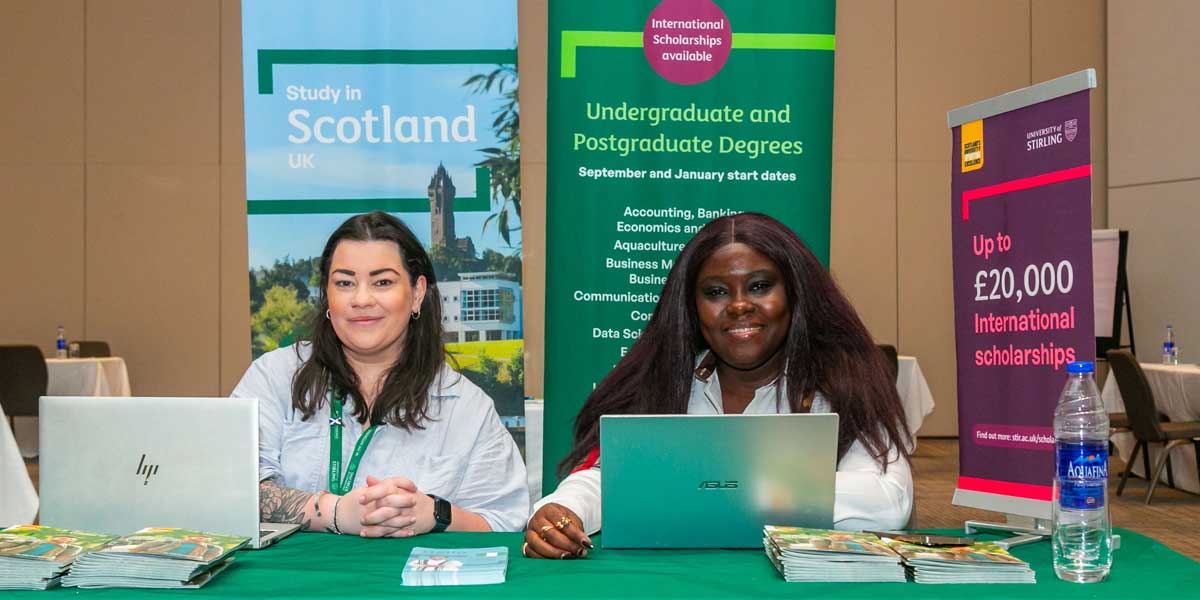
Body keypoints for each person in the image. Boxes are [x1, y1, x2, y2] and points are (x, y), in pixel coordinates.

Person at [524, 213, 913, 559]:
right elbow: (604, 476)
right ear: (691, 307)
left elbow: (887, 499)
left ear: (795, 296)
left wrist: (717, 488)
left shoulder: (842, 386)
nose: (739, 306)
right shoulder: (661, 383)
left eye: (760, 286)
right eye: (715, 292)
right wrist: (565, 508)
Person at [234, 211, 528, 537]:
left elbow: (506, 522)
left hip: (414, 587)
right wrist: (333, 511)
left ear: (417, 293)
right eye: (344, 283)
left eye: (382, 282)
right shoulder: (274, 376)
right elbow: (231, 488)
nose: (361, 299)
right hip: (288, 584)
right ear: (326, 296)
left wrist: (435, 514)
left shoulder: (466, 406)